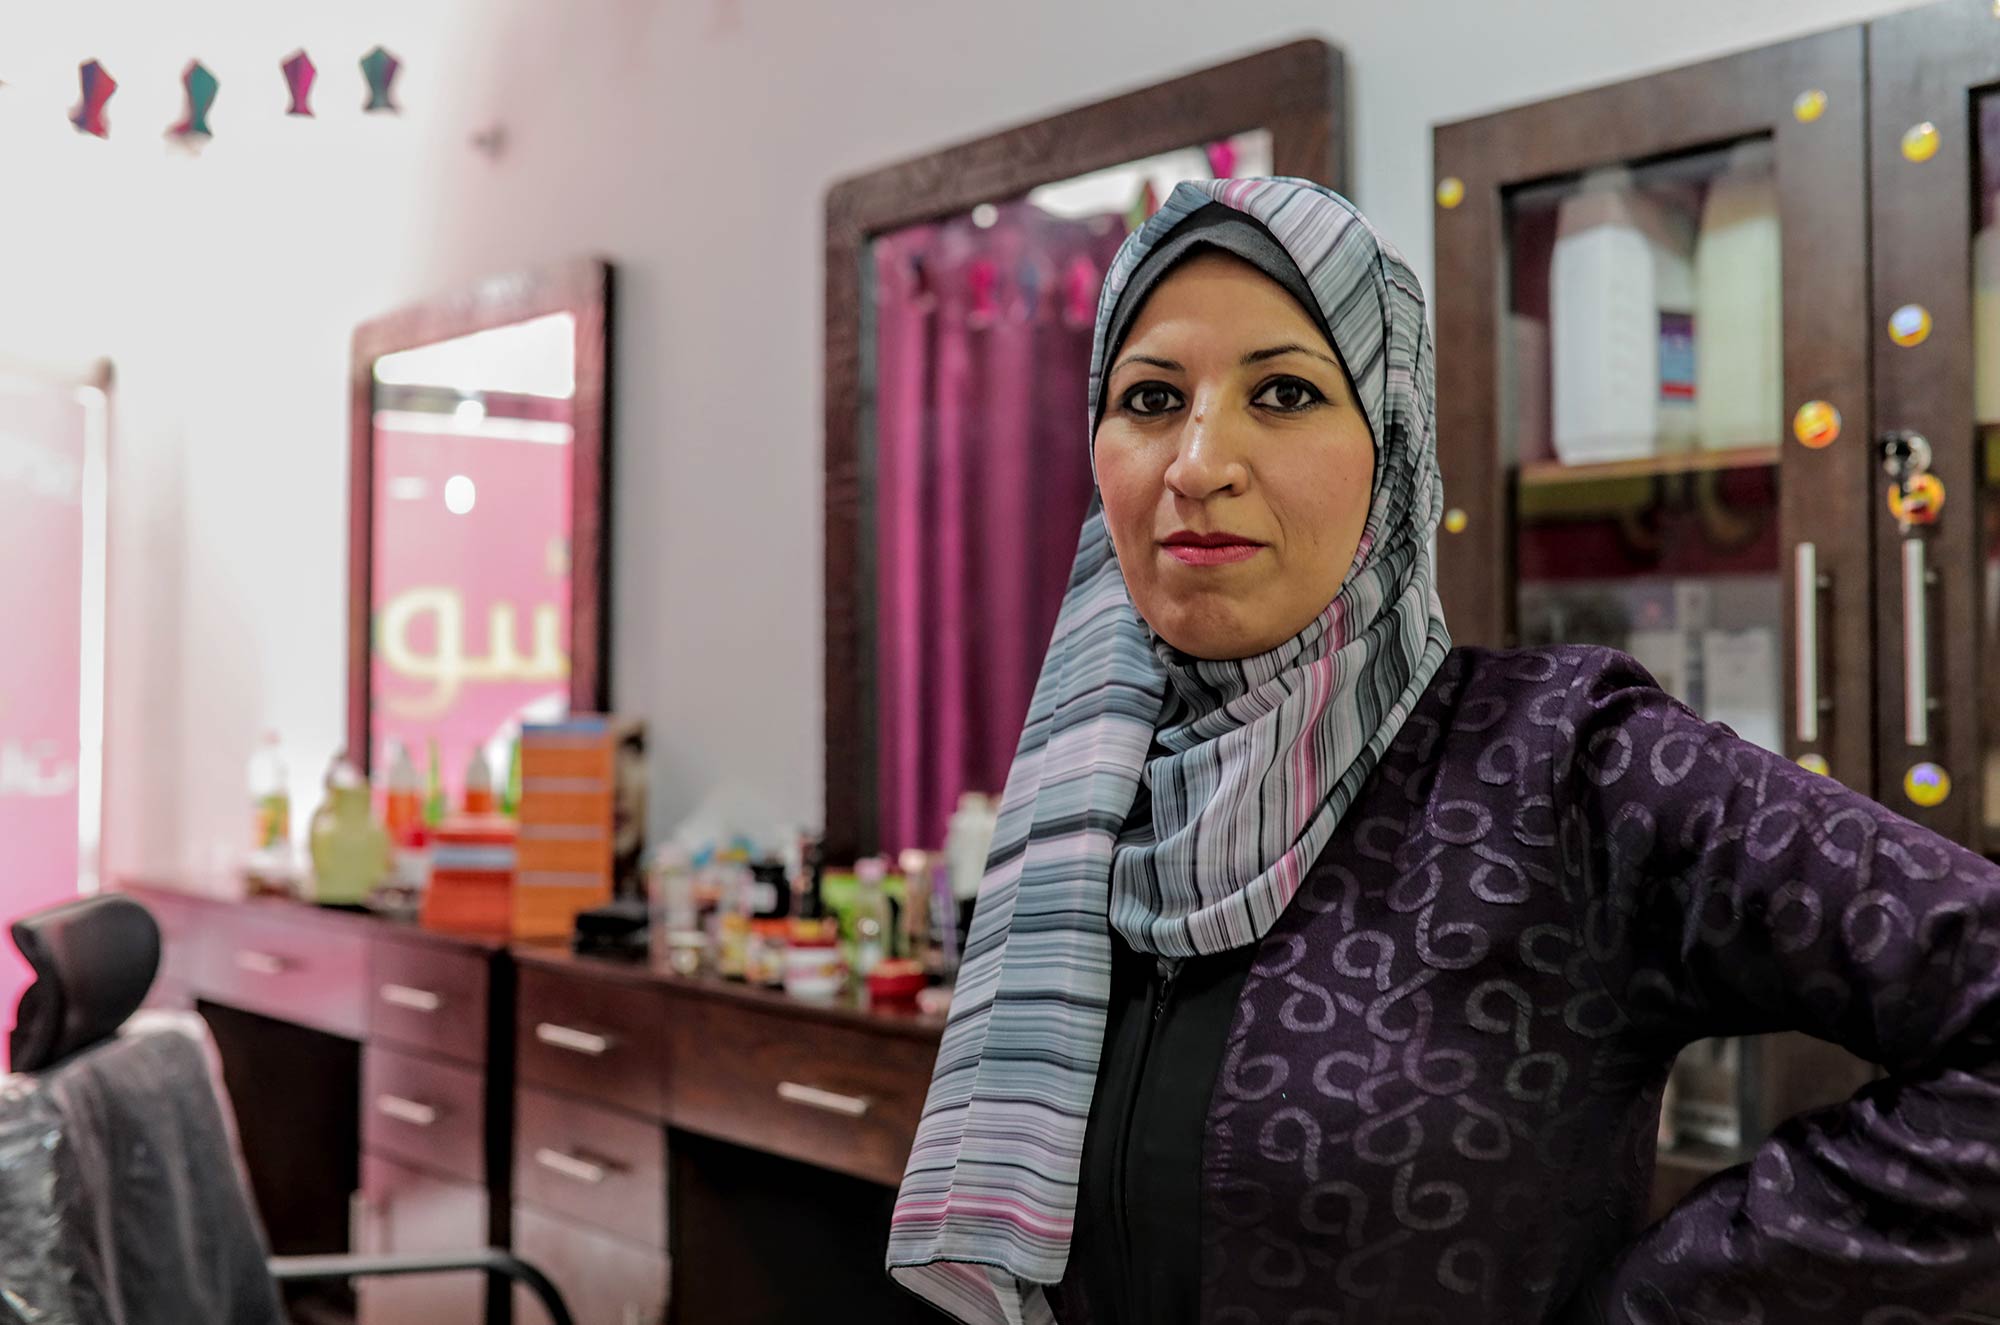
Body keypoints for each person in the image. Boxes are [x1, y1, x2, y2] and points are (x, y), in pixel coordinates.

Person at [886, 177, 2000, 1324]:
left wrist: (1667, 1304)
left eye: (1282, 390)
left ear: (1394, 441)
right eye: (1150, 396)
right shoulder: (1084, 797)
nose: (1195, 460)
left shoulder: (1566, 768)